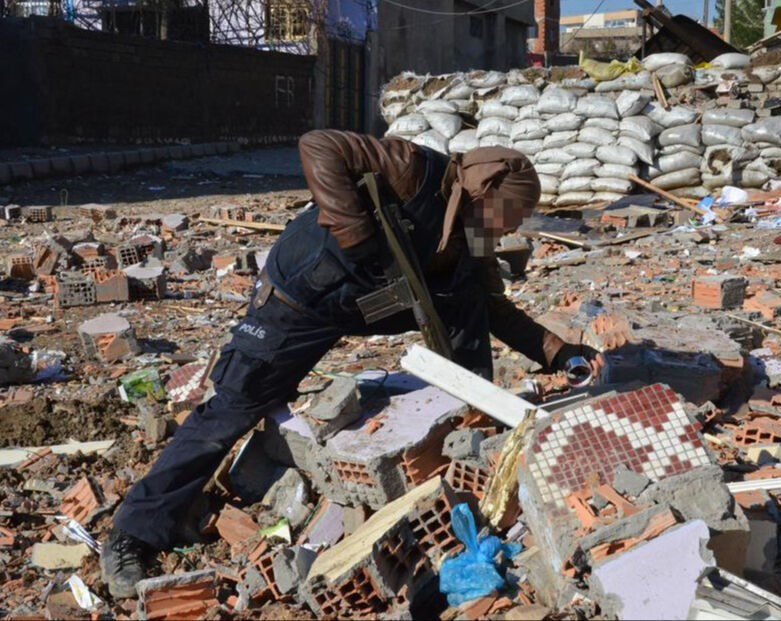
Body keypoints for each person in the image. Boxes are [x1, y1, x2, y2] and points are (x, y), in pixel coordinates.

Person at [100, 130, 600, 597]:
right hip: (301, 298)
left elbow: (495, 308)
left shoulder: (473, 232)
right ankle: (131, 535)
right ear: (485, 189)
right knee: (234, 407)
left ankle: (470, 431)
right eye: (508, 214)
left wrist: (561, 352)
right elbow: (319, 145)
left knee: (467, 295)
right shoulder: (414, 169)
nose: (508, 227)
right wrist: (357, 236)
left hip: (369, 299)